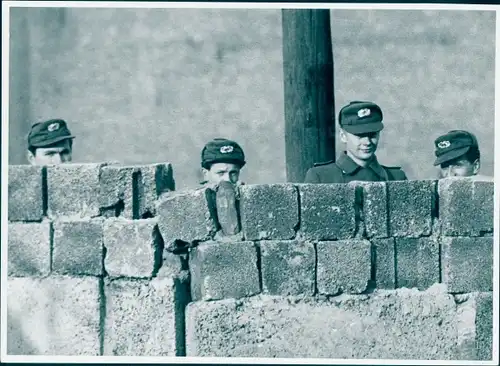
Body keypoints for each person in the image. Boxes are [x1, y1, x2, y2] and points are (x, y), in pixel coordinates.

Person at [304, 101, 407, 183]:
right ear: (343, 136)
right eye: (360, 135)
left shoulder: (396, 177)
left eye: (373, 134)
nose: (367, 142)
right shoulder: (321, 177)